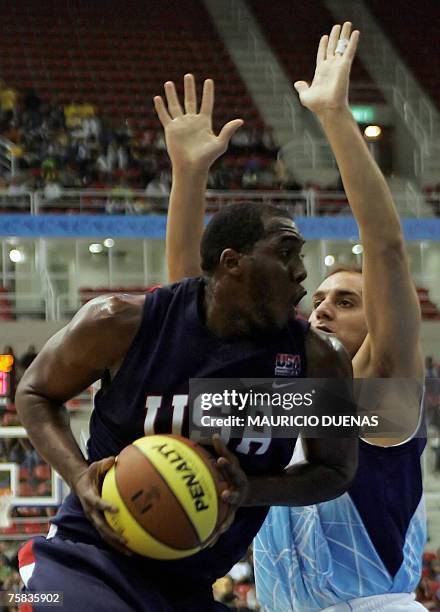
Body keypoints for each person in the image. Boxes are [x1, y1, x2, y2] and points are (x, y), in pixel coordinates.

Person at [15, 150, 357, 609]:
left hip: (187, 587)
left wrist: (250, 490)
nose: (301, 273)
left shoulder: (316, 361)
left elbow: (334, 471)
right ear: (232, 262)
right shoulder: (121, 322)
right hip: (87, 558)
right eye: (285, 254)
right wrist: (79, 477)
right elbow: (34, 392)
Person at [161, 22, 426, 612]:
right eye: (321, 298)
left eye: (347, 301)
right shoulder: (281, 397)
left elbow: (384, 248)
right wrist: (189, 173)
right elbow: (191, 299)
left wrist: (334, 117)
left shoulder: (380, 399)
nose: (323, 307)